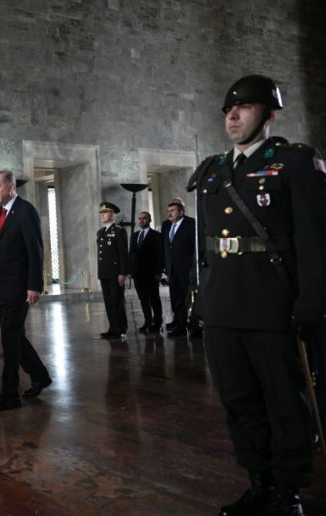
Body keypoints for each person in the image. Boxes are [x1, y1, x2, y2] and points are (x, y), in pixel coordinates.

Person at [187, 74, 326, 516]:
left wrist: (312, 301)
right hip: (223, 307)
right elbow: (206, 247)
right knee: (240, 403)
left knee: (285, 403)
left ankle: (288, 491)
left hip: (273, 307)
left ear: (269, 115)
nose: (232, 115)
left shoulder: (294, 163)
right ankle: (259, 481)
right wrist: (200, 298)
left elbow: (316, 239)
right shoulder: (212, 171)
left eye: (244, 108)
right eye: (229, 109)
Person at [0, 170, 51, 412]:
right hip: (1, 285)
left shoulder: (26, 211)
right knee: (15, 336)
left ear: (10, 187)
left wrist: (34, 285)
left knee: (10, 339)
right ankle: (40, 375)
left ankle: (10, 393)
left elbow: (36, 251)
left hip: (18, 287)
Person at [161, 200, 198, 338]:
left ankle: (196, 328)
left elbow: (195, 248)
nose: (169, 213)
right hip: (173, 271)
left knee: (191, 300)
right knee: (177, 300)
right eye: (168, 211)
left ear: (181, 212)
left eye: (172, 210)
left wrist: (195, 269)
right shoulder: (169, 227)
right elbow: (167, 249)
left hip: (187, 271)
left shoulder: (190, 225)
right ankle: (180, 327)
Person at [127, 211, 164, 333]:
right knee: (143, 299)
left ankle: (157, 322)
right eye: (140, 218)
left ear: (150, 220)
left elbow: (159, 255)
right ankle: (147, 321)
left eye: (144, 218)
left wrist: (159, 272)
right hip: (137, 274)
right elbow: (131, 254)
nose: (141, 220)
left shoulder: (156, 236)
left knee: (154, 298)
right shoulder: (134, 235)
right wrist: (130, 271)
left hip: (151, 274)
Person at [96, 202, 128, 339]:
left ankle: (121, 328)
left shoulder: (119, 231)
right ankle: (112, 327)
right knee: (109, 302)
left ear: (113, 215)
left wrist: (122, 272)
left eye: (106, 213)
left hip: (115, 273)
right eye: (102, 213)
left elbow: (123, 254)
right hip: (104, 272)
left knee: (117, 300)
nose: (103, 215)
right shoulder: (101, 232)